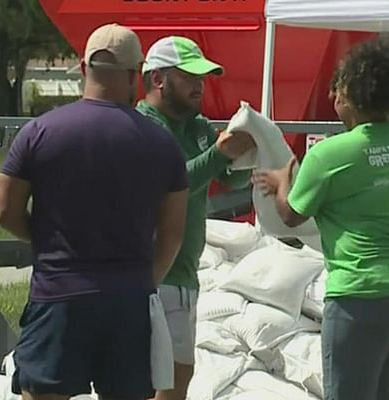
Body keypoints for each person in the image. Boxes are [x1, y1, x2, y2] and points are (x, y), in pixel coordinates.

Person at [0, 23, 189, 400]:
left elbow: (4, 211)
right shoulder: (162, 144)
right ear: (137, 75)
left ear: (84, 68)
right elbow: (173, 231)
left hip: (58, 294)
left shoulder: (38, 132)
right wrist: (144, 278)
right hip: (128, 298)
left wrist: (49, 240)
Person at [253, 36, 389, 400]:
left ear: (354, 92)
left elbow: (291, 215)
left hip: (361, 292)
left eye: (338, 86)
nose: (332, 94)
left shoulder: (331, 153)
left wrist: (282, 181)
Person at [136, 36, 256, 400]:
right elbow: (166, 188)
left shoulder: (198, 127)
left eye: (202, 77)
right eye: (189, 77)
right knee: (146, 380)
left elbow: (228, 178)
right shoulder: (142, 127)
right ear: (158, 79)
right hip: (151, 273)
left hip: (185, 272)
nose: (200, 86)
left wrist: (245, 155)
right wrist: (220, 156)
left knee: (178, 380)